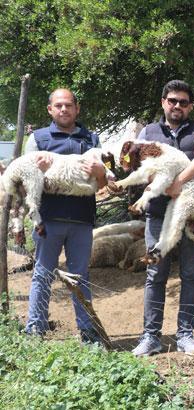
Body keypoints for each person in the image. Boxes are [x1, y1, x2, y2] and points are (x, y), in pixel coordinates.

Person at [131, 80, 194, 357]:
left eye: (183, 102)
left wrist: (178, 181)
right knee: (155, 274)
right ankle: (150, 337)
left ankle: (185, 336)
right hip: (158, 215)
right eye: (172, 100)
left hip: (190, 214)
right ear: (163, 102)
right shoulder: (148, 131)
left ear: (190, 106)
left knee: (190, 276)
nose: (177, 105)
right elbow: (141, 164)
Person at [23, 88, 108, 344]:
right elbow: (27, 182)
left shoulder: (92, 139)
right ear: (50, 109)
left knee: (80, 276)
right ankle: (35, 331)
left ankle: (88, 332)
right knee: (42, 274)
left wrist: (99, 170)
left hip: (82, 220)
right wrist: (38, 171)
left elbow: (104, 184)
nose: (63, 109)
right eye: (58, 105)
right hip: (48, 221)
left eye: (68, 105)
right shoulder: (37, 139)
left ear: (77, 108)